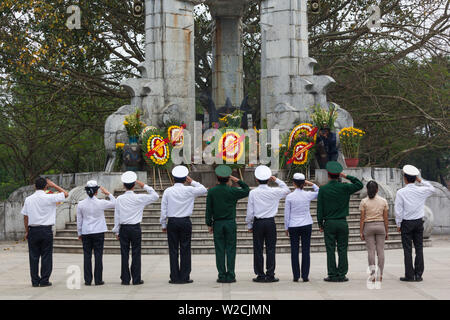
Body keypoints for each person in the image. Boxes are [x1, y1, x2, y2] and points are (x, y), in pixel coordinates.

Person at [160, 166, 207, 284]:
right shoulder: (189, 190)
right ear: (185, 179)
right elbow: (203, 190)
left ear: (173, 178)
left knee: (173, 250)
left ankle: (174, 277)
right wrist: (192, 182)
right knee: (185, 249)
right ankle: (185, 276)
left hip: (172, 222)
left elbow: (163, 209)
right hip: (185, 221)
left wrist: (163, 224)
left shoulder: (168, 191)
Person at [317, 161, 363, 282]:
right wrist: (346, 176)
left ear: (328, 174)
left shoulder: (323, 190)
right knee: (342, 249)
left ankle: (332, 274)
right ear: (338, 175)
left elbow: (319, 209)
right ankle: (342, 274)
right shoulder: (345, 187)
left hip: (329, 223)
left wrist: (320, 224)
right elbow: (359, 184)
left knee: (330, 249)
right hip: (342, 222)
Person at [113, 171, 159, 285]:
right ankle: (136, 279)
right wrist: (143, 185)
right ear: (134, 185)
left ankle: (125, 279)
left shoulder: (119, 199)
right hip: (135, 228)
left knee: (124, 254)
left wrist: (116, 231)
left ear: (124, 185)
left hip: (123, 228)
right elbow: (155, 196)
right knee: (136, 253)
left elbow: (117, 216)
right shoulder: (139, 198)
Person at [21, 177, 69, 287]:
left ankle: (34, 280)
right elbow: (66, 194)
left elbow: (25, 217)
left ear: (34, 186)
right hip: (46, 230)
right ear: (46, 186)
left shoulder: (28, 199)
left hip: (33, 230)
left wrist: (27, 231)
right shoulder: (50, 197)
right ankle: (44, 280)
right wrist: (54, 185)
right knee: (46, 256)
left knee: (33, 257)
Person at [206, 165, 250, 283]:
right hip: (230, 223)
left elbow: (208, 209)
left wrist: (209, 224)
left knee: (220, 250)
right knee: (231, 249)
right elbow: (247, 190)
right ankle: (230, 274)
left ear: (217, 178)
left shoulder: (212, 191)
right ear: (228, 178)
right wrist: (237, 180)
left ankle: (221, 275)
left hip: (218, 224)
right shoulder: (232, 190)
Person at [245, 165, 290, 283]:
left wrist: (249, 225)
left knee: (258, 249)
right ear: (269, 178)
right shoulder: (274, 191)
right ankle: (270, 274)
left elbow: (250, 211)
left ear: (256, 179)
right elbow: (287, 190)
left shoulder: (253, 193)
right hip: (270, 222)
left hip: (258, 223)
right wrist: (276, 180)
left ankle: (260, 274)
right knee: (271, 249)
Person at [395, 165, 435, 282]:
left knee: (407, 249)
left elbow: (398, 211)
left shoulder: (401, 192)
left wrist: (398, 224)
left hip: (406, 223)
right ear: (415, 178)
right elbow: (432, 188)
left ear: (405, 178)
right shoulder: (421, 190)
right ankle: (418, 274)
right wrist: (420, 180)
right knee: (419, 248)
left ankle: (409, 275)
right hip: (418, 222)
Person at [76, 180, 116, 286]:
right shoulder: (101, 202)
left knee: (87, 256)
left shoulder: (81, 204)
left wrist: (79, 232)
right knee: (98, 255)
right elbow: (115, 203)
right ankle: (98, 280)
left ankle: (88, 280)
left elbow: (79, 220)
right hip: (98, 231)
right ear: (96, 191)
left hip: (86, 232)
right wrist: (108, 193)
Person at [284, 173, 320, 282]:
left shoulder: (289, 196)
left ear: (293, 183)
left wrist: (286, 227)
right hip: (306, 224)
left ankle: (296, 276)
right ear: (303, 183)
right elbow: (319, 191)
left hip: (293, 225)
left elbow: (287, 213)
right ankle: (305, 276)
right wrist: (311, 183)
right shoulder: (307, 194)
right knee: (306, 250)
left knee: (294, 251)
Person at [359, 181, 389, 283]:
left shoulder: (364, 202)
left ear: (367, 189)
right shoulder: (383, 201)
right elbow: (386, 218)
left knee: (371, 251)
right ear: (377, 190)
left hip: (368, 227)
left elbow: (362, 218)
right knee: (380, 251)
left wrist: (361, 231)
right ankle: (380, 275)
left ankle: (372, 275)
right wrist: (387, 231)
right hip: (381, 226)